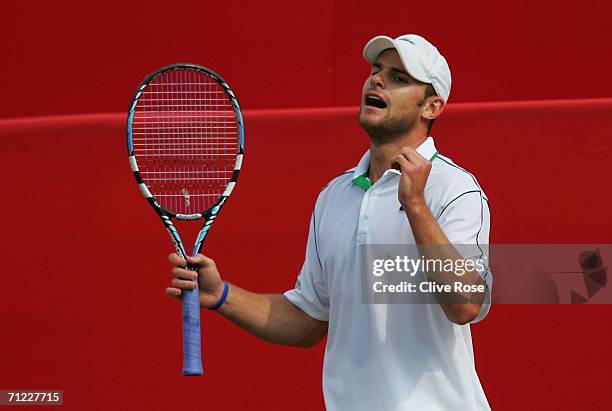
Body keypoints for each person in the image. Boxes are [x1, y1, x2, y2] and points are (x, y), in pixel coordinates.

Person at [166, 34, 492, 410]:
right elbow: (308, 319)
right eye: (375, 71)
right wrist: (221, 295)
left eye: (399, 78)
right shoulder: (333, 197)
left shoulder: (456, 189)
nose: (377, 80)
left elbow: (465, 303)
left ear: (432, 107)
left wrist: (415, 205)